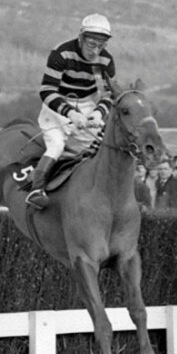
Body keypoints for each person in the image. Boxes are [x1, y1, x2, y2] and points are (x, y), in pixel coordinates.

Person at [27, 13, 119, 209]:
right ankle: (36, 189)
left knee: (98, 147)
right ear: (81, 37)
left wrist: (98, 113)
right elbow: (47, 90)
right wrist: (71, 113)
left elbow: (107, 95)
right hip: (57, 105)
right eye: (91, 44)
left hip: (86, 104)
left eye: (101, 46)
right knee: (56, 146)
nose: (95, 50)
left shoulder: (106, 61)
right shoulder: (61, 53)